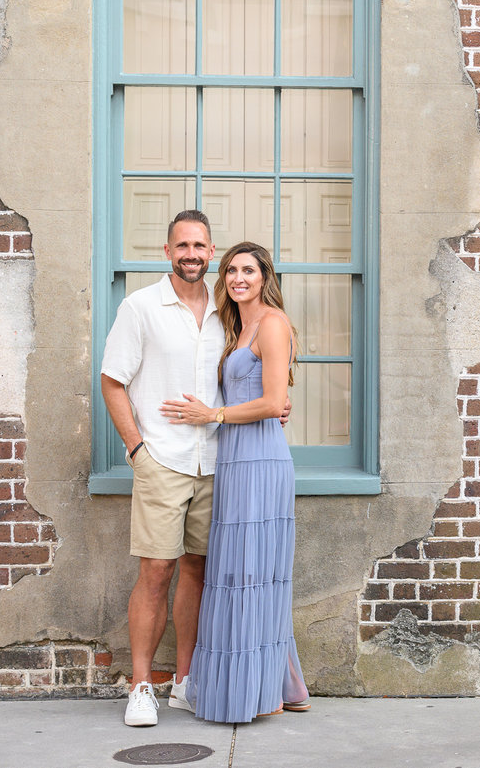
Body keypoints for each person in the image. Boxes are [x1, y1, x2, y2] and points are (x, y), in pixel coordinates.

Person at [163, 240, 310, 722]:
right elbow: (265, 397)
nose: (237, 278)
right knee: (239, 573)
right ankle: (284, 683)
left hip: (261, 462)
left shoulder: (272, 323)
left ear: (265, 276)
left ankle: (260, 692)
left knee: (253, 575)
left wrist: (214, 414)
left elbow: (272, 402)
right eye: (230, 271)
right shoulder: (235, 324)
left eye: (248, 270)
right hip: (233, 460)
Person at [100, 210, 222, 727]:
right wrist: (137, 452)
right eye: (182, 246)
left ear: (211, 251)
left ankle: (185, 682)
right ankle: (142, 685)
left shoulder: (228, 309)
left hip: (216, 463)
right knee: (156, 571)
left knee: (197, 571)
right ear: (166, 251)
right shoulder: (141, 307)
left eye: (199, 245)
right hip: (163, 461)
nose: (191, 254)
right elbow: (112, 381)